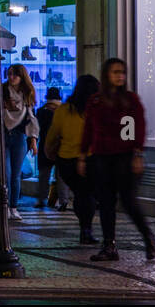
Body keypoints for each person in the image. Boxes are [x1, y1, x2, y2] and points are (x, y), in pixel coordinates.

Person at [80, 58, 155, 261]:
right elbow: (88, 129)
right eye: (115, 72)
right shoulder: (96, 101)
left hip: (124, 157)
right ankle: (109, 245)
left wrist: (137, 154)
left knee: (129, 202)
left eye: (122, 72)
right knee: (106, 203)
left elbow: (137, 128)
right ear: (107, 75)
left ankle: (148, 237)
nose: (120, 76)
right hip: (101, 157)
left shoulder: (130, 100)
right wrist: (82, 154)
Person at [46, 74, 100, 245]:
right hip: (90, 160)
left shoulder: (64, 110)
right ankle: (86, 229)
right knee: (88, 195)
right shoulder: (97, 110)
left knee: (80, 194)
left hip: (66, 160)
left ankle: (84, 228)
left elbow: (53, 135)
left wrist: (49, 152)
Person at [2, 63, 39, 219]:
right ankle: (5, 207)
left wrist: (33, 140)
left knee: (15, 174)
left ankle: (13, 207)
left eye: (14, 75)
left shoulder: (27, 94)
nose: (11, 78)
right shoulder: (2, 91)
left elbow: (31, 118)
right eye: (9, 74)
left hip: (19, 136)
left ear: (21, 76)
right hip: (3, 135)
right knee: (6, 173)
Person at [35, 87, 67, 209]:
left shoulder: (41, 111)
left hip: (45, 146)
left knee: (44, 175)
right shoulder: (63, 111)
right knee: (61, 176)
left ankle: (42, 199)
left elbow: (38, 129)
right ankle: (63, 200)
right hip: (61, 147)